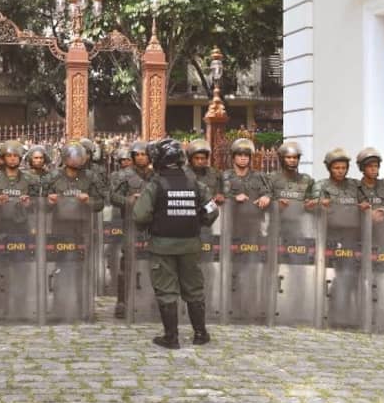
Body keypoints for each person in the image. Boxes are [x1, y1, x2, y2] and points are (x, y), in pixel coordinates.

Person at [133, 138, 218, 349]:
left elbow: (140, 215)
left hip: (162, 246)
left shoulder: (155, 185)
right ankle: (200, 333)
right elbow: (212, 210)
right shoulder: (195, 184)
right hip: (190, 245)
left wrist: (151, 223)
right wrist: (198, 222)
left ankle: (171, 337)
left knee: (166, 290)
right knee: (194, 288)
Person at [109, 140, 153, 319]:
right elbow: (112, 196)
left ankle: (154, 300)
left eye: (144, 154)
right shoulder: (123, 175)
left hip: (153, 224)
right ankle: (122, 301)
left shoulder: (156, 175)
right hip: (131, 223)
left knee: (155, 261)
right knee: (127, 262)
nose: (141, 158)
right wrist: (128, 200)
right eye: (138, 155)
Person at [222, 138, 271, 209]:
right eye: (239, 155)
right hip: (233, 217)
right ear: (233, 157)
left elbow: (270, 192)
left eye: (246, 155)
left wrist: (266, 197)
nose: (243, 158)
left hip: (255, 216)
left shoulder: (259, 176)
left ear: (250, 158)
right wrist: (234, 198)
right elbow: (218, 197)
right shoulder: (225, 176)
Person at [268, 141, 314, 207]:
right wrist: (275, 203)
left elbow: (312, 202)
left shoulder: (306, 180)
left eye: (295, 157)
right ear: (282, 159)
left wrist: (310, 203)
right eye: (288, 157)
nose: (292, 160)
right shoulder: (271, 178)